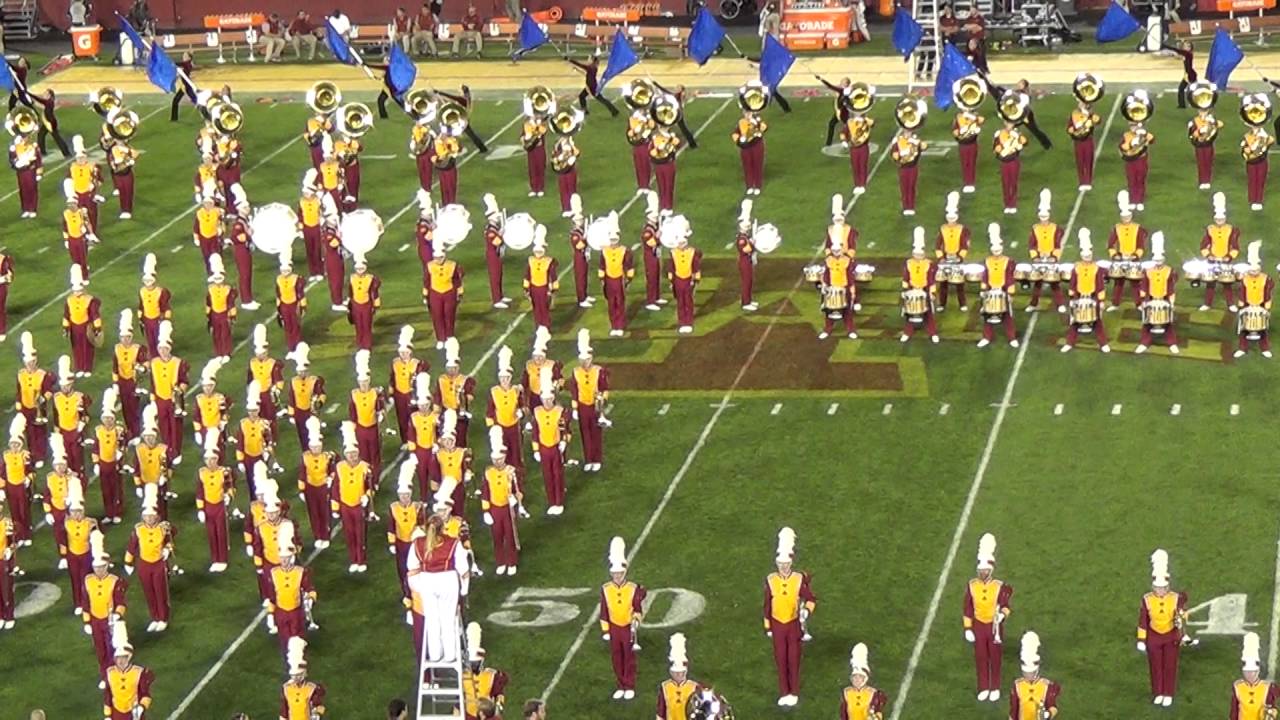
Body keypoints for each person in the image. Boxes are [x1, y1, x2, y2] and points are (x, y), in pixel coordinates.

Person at [406, 511, 471, 662]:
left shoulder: (417, 543)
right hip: (447, 581)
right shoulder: (453, 542)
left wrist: (417, 586)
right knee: (448, 619)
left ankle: (435, 654)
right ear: (442, 528)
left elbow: (412, 568)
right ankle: (450, 654)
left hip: (427, 581)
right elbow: (463, 568)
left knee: (432, 619)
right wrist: (464, 588)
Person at [765, 527, 815, 707]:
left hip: (793, 623)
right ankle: (784, 692)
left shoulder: (798, 579)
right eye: (780, 564)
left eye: (786, 564)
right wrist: (768, 626)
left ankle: (794, 692)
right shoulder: (770, 580)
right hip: (778, 624)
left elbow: (810, 599)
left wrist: (806, 612)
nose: (783, 567)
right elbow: (767, 604)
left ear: (790, 564)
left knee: (793, 658)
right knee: (780, 659)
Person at [962, 533, 1012, 701]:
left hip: (994, 625)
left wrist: (1002, 617)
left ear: (990, 570)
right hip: (979, 625)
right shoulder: (972, 585)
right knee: (981, 656)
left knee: (995, 656)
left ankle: (995, 686)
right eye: (980, 570)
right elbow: (967, 607)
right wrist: (968, 628)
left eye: (985, 570)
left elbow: (1006, 605)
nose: (982, 572)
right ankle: (983, 686)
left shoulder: (999, 586)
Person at [123, 484, 174, 632]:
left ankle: (163, 617)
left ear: (156, 516)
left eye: (152, 516)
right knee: (148, 591)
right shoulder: (138, 529)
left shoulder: (162, 528)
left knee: (160, 591)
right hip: (144, 563)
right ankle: (154, 617)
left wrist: (167, 549)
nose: (150, 518)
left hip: (158, 563)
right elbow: (132, 546)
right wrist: (128, 562)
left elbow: (171, 538)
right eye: (147, 516)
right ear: (143, 516)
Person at [599, 536, 645, 700]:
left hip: (627, 627)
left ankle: (629, 684)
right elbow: (604, 611)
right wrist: (606, 630)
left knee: (629, 657)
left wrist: (635, 622)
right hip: (614, 627)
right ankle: (620, 684)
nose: (617, 576)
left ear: (624, 573)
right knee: (617, 657)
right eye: (614, 574)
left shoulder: (632, 589)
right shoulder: (606, 589)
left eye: (619, 574)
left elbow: (638, 609)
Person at [82, 529, 125, 675]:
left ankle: (114, 672)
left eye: (101, 567)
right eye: (97, 568)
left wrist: (117, 615)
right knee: (100, 650)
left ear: (106, 566)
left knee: (111, 647)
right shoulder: (88, 581)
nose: (99, 570)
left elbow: (121, 602)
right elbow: (85, 603)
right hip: (95, 619)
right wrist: (87, 621)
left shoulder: (114, 581)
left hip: (109, 619)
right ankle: (104, 674)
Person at [331, 422, 372, 572]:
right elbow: (335, 487)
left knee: (360, 533)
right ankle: (353, 559)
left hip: (359, 504)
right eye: (349, 454)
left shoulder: (365, 467)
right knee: (349, 533)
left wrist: (367, 496)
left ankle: (361, 559)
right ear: (345, 454)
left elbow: (370, 486)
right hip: (345, 505)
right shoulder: (340, 467)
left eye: (354, 453)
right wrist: (335, 507)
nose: (352, 456)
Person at [1063, 229, 1110, 354]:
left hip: (1093, 296)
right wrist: (1072, 296)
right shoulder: (1076, 268)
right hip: (1079, 296)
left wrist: (1100, 301)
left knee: (1098, 321)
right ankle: (1069, 343)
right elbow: (1073, 283)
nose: (1087, 258)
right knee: (1074, 320)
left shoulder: (1097, 268)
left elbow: (1100, 285)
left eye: (1089, 256)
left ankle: (1103, 343)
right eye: (1085, 256)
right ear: (1081, 256)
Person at [387, 459, 425, 601]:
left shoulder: (417, 507)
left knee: (416, 567)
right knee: (403, 569)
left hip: (414, 543)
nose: (404, 498)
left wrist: (419, 536)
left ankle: (418, 591)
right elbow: (391, 527)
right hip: (401, 543)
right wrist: (392, 543)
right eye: (402, 495)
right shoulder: (393, 508)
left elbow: (422, 524)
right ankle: (406, 594)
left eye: (407, 495)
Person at [531, 370, 568, 515]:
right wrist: (535, 450)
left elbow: (565, 429)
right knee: (547, 476)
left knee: (557, 474)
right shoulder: (537, 412)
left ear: (553, 398)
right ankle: (551, 501)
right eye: (544, 399)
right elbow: (535, 432)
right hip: (543, 448)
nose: (546, 402)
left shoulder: (559, 411)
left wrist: (563, 441)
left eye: (549, 399)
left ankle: (559, 501)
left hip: (555, 447)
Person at [1136, 233, 1179, 354]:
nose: (1158, 262)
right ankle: (1144, 342)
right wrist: (1143, 301)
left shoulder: (1169, 271)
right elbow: (1144, 286)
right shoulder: (1148, 271)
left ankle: (1172, 343)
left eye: (1160, 260)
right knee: (1147, 322)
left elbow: (1171, 287)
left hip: (1164, 298)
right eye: (1156, 260)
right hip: (1151, 299)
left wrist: (1171, 302)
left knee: (1168, 322)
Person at [978, 225, 1018, 348]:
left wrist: (1009, 292)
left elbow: (1009, 276)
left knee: (1007, 315)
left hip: (1003, 290)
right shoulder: (987, 260)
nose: (996, 253)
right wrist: (983, 289)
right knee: (987, 314)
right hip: (990, 290)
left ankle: (1012, 338)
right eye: (994, 251)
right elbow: (985, 275)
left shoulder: (1008, 261)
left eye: (998, 251)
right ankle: (986, 337)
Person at [1107, 191, 1147, 311]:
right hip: (1121, 258)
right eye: (1123, 217)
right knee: (1118, 282)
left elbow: (1141, 245)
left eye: (1127, 217)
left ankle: (1139, 304)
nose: (1125, 219)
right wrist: (1115, 255)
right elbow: (1110, 244)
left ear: (1131, 217)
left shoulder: (1137, 228)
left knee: (1135, 282)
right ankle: (1115, 303)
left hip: (1133, 258)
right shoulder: (1117, 228)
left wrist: (1136, 255)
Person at [104, 624, 155, 719]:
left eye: (123, 658)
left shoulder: (138, 672)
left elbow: (146, 694)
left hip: (134, 711)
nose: (120, 661)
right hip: (117, 712)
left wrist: (141, 707)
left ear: (128, 658)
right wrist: (108, 715)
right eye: (118, 658)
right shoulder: (110, 672)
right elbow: (108, 694)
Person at [1234, 240, 1273, 358]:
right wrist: (1243, 304)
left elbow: (1267, 292)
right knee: (1243, 327)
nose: (1254, 272)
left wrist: (1266, 304)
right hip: (1247, 304)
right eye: (1252, 270)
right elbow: (1242, 291)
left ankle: (1264, 348)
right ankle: (1242, 348)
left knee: (1263, 327)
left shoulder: (1266, 278)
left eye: (1256, 270)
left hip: (1261, 304)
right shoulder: (1245, 278)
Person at [464, 622, 510, 718]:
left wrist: (498, 705)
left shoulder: (491, 675)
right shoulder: (462, 676)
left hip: (488, 715)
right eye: (472, 663)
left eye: (475, 663)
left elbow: (499, 692)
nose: (473, 665)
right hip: (469, 715)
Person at [901, 228, 939, 344]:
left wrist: (932, 293)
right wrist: (905, 290)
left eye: (920, 254)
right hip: (912, 289)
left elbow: (931, 279)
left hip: (925, 290)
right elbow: (906, 277)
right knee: (909, 312)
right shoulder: (909, 263)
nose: (918, 256)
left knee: (928, 313)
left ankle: (933, 333)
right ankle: (907, 332)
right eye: (916, 254)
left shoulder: (928, 264)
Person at [63, 265, 102, 376]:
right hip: (74, 327)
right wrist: (66, 328)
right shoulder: (69, 300)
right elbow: (66, 314)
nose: (77, 293)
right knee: (76, 347)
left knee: (88, 347)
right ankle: (79, 367)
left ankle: (87, 367)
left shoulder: (89, 300)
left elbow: (95, 314)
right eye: (75, 291)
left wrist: (97, 327)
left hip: (86, 326)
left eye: (79, 290)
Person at [666, 216, 702, 334]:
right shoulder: (673, 253)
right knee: (680, 302)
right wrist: (671, 282)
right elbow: (671, 268)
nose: (681, 245)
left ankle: (689, 321)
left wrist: (696, 280)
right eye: (680, 243)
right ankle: (682, 322)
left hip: (688, 280)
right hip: (678, 280)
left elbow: (696, 268)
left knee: (688, 301)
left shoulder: (692, 252)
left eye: (683, 243)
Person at [425, 239, 464, 346]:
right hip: (435, 292)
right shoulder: (430, 265)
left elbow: (457, 280)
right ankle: (440, 338)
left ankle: (450, 336)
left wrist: (460, 292)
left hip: (449, 292)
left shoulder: (452, 265)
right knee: (437, 315)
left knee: (449, 314)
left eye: (440, 258)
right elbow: (426, 281)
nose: (438, 260)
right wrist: (425, 295)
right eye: (436, 258)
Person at [935, 193, 970, 312]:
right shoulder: (942, 228)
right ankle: (942, 304)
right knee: (943, 283)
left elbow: (964, 245)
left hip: (957, 258)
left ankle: (962, 303)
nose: (950, 221)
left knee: (959, 283)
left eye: (952, 219)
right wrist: (941, 257)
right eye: (949, 219)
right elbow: (938, 245)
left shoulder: (961, 229)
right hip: (946, 258)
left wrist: (960, 257)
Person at [1231, 632, 1278, 719]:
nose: (1249, 675)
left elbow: (1273, 706)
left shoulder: (1267, 687)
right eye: (1247, 672)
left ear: (1257, 672)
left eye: (1252, 672)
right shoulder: (1238, 686)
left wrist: (1271, 713)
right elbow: (1234, 711)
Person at [280, 638, 326, 720]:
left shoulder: (311, 688)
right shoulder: (286, 688)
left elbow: (319, 706)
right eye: (294, 675)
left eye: (298, 675)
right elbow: (285, 707)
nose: (296, 678)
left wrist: (317, 712)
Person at [656, 633, 699, 719]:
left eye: (682, 672)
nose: (680, 675)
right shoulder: (665, 686)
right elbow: (661, 711)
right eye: (677, 673)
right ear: (671, 673)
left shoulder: (694, 687)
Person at [839, 644, 888, 719]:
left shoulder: (873, 693)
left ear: (864, 679)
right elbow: (843, 715)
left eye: (860, 677)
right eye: (855, 677)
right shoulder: (846, 693)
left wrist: (876, 717)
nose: (857, 680)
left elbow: (879, 709)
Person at [523, 227, 558, 330]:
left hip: (544, 288)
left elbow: (553, 276)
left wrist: (554, 289)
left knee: (544, 308)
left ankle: (546, 326)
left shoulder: (548, 261)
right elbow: (527, 275)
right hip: (534, 288)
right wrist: (526, 288)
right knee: (536, 308)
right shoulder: (531, 261)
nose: (538, 254)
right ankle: (539, 326)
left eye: (540, 252)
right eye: (536, 252)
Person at [1119, 112, 1154, 211]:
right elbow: (1122, 146)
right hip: (1130, 161)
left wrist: (1144, 134)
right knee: (1131, 180)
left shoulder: (1144, 134)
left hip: (1141, 160)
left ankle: (1140, 200)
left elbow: (1152, 140)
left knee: (1140, 179)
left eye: (1135, 126)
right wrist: (1131, 144)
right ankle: (1132, 200)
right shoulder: (1126, 135)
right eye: (1132, 126)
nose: (1133, 128)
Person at [1188, 91, 1222, 190]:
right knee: (1201, 162)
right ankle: (1202, 180)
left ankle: (1207, 180)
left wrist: (1211, 123)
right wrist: (1199, 130)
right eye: (1201, 112)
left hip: (1208, 144)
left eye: (1205, 111)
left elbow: (1220, 124)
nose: (1203, 113)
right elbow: (1192, 135)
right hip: (1199, 145)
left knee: (1208, 161)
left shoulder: (1210, 120)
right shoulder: (1194, 121)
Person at [993, 115, 1027, 214]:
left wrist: (1017, 137)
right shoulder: (999, 134)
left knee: (1013, 182)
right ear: (1004, 123)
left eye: (1011, 123)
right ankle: (1007, 203)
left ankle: (1013, 204)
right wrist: (1001, 148)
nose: (1009, 125)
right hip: (1004, 162)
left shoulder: (1016, 133)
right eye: (1008, 123)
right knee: (1005, 183)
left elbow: (1024, 142)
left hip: (1014, 161)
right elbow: (995, 148)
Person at [733, 101, 767, 196]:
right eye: (746, 113)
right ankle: (750, 186)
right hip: (746, 147)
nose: (747, 115)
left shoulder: (756, 121)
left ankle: (758, 185)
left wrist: (757, 123)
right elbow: (735, 133)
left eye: (749, 113)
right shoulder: (741, 122)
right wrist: (739, 142)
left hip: (757, 145)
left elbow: (764, 127)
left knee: (757, 165)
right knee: (747, 166)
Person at [1067, 90, 1100, 191]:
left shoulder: (1091, 114)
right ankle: (1082, 181)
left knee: (1088, 161)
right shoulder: (1074, 114)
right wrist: (1074, 130)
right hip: (1078, 141)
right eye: (1080, 103)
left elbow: (1098, 120)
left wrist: (1090, 118)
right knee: (1080, 161)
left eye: (1082, 103)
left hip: (1088, 139)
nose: (1080, 104)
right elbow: (1069, 127)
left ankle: (1088, 181)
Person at [1242, 113, 1274, 211]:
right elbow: (1244, 148)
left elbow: (1269, 143)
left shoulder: (1265, 137)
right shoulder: (1247, 136)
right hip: (1251, 161)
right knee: (1252, 179)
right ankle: (1252, 199)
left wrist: (1262, 140)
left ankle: (1258, 200)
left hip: (1262, 161)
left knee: (1260, 180)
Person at [952, 96, 983, 194]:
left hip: (972, 142)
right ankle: (966, 182)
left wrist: (971, 116)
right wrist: (960, 133)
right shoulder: (958, 117)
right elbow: (955, 130)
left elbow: (981, 120)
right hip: (963, 143)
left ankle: (971, 182)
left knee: (972, 162)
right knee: (965, 163)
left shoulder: (974, 116)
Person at [10, 122, 40, 218]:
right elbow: (12, 158)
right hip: (21, 171)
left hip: (31, 170)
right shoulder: (16, 147)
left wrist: (39, 171)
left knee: (32, 189)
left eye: (25, 137)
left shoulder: (32, 146)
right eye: (23, 137)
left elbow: (38, 159)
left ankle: (33, 208)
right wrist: (16, 164)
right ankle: (25, 209)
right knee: (23, 190)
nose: (24, 139)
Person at [522, 100, 549, 198]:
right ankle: (534, 188)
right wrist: (525, 138)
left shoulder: (540, 123)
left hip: (539, 148)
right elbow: (523, 136)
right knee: (532, 168)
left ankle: (540, 188)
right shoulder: (527, 124)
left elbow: (543, 131)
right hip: (531, 149)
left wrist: (537, 126)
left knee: (540, 167)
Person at [33, 89, 72, 158]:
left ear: (49, 95)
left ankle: (67, 153)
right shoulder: (49, 101)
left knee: (57, 137)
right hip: (47, 122)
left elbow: (42, 106)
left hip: (50, 123)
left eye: (45, 94)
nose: (43, 95)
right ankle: (42, 152)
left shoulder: (50, 102)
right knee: (41, 135)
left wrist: (32, 102)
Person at [171, 52, 196, 121]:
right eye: (183, 55)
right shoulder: (188, 64)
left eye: (185, 56)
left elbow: (178, 63)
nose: (183, 57)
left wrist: (170, 62)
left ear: (189, 58)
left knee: (176, 100)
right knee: (176, 100)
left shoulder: (187, 63)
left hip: (186, 86)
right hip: (186, 86)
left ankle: (174, 118)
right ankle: (174, 118)